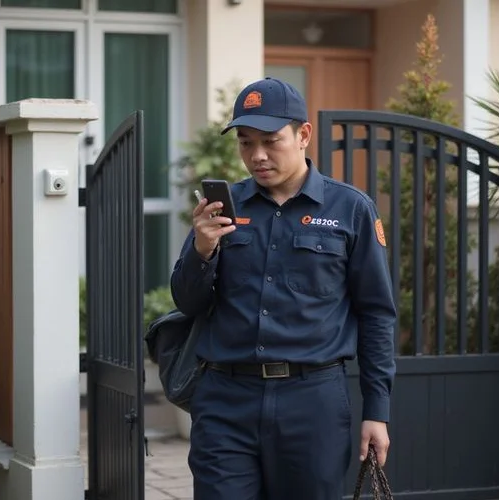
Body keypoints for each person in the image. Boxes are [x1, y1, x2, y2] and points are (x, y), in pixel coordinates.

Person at [169, 77, 397, 500]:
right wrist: (202, 248)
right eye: (245, 142)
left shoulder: (351, 209)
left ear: (303, 135)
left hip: (312, 404)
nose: (257, 155)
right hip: (225, 401)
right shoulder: (222, 209)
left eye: (271, 141)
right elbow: (187, 302)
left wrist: (376, 411)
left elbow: (376, 314)